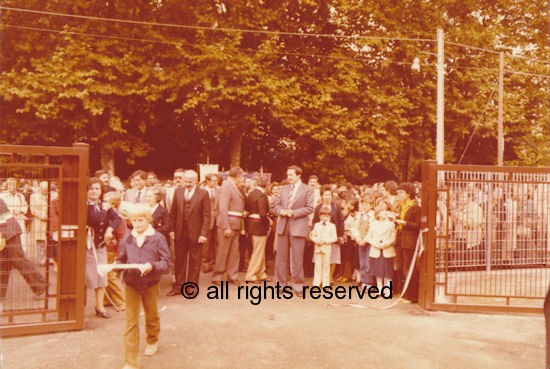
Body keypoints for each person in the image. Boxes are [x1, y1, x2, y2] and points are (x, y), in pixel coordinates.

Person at [116, 203, 171, 369]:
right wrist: (115, 266)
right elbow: (121, 259)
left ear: (148, 220)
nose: (137, 223)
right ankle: (130, 361)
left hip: (150, 284)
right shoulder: (127, 238)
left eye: (141, 220)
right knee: (131, 322)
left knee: (151, 315)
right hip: (131, 284)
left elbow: (166, 263)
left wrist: (152, 266)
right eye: (134, 220)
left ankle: (152, 339)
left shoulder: (157, 238)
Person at [272, 165, 314, 297]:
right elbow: (275, 205)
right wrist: (281, 211)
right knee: (281, 258)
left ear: (298, 175)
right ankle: (280, 285)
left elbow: (309, 208)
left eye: (291, 175)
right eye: (288, 174)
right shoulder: (283, 189)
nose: (288, 177)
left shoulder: (308, 189)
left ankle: (298, 285)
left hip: (298, 226)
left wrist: (293, 213)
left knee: (297, 259)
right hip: (283, 226)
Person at [167, 170, 210, 296]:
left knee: (195, 261)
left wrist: (203, 234)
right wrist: (171, 230)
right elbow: (172, 213)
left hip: (196, 234)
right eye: (185, 181)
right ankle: (178, 287)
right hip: (180, 232)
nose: (187, 184)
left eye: (189, 182)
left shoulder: (203, 193)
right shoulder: (178, 191)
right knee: (179, 260)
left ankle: (191, 287)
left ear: (195, 181)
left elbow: (206, 216)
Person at [87, 178, 122, 318]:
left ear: (101, 191)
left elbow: (117, 218)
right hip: (88, 246)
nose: (94, 191)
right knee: (87, 276)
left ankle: (100, 306)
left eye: (97, 188)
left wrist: (110, 229)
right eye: (91, 188)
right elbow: (95, 220)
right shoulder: (86, 205)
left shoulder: (103, 204)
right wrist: (105, 210)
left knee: (101, 275)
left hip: (100, 245)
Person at [0, 198, 46, 301]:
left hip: (9, 231)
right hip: (6, 231)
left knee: (18, 260)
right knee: (3, 264)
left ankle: (40, 285)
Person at [212, 167, 245, 286]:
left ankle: (233, 275)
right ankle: (217, 276)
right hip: (228, 224)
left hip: (235, 224)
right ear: (237, 176)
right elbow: (223, 207)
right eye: (241, 176)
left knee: (234, 252)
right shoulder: (227, 186)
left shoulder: (233, 186)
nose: (242, 179)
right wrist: (226, 227)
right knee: (223, 251)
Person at [394, 182, 421, 303]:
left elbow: (418, 225)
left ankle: (412, 296)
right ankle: (404, 293)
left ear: (408, 193)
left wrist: (404, 223)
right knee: (400, 267)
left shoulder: (415, 207)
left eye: (401, 192)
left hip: (410, 240)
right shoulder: (402, 206)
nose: (398, 195)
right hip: (400, 238)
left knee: (409, 268)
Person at [102, 191, 128, 312]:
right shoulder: (108, 217)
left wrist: (119, 255)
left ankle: (123, 301)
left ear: (113, 204)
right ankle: (107, 299)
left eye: (105, 202)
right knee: (108, 275)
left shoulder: (119, 220)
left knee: (110, 276)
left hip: (113, 251)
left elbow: (122, 238)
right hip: (107, 250)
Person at [244, 177, 270, 283]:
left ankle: (261, 273)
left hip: (251, 224)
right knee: (258, 251)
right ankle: (251, 275)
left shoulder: (251, 194)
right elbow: (263, 213)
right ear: (266, 186)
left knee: (259, 250)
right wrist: (268, 221)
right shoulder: (262, 195)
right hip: (260, 226)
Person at [366, 201, 397, 290]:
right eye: (382, 211)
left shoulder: (391, 224)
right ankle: (380, 289)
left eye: (385, 211)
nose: (385, 213)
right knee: (378, 272)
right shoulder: (373, 224)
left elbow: (393, 238)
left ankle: (388, 290)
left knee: (388, 272)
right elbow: (368, 237)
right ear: (378, 214)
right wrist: (376, 244)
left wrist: (385, 244)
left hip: (387, 250)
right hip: (376, 250)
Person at [309, 206, 338, 288]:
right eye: (323, 216)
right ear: (320, 216)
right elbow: (313, 235)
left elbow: (334, 237)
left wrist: (326, 241)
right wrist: (316, 240)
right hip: (318, 248)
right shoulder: (316, 225)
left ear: (330, 217)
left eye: (327, 216)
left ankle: (325, 283)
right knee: (317, 265)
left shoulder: (332, 226)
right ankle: (316, 283)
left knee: (326, 266)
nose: (325, 218)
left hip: (327, 248)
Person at [0, 178, 29, 254]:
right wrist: (12, 211)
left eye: (14, 184)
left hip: (19, 220)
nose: (12, 186)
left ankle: (21, 256)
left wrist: (20, 210)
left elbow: (25, 207)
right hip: (7, 221)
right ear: (7, 185)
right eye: (10, 184)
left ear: (16, 186)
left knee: (22, 239)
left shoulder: (20, 196)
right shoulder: (2, 196)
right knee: (8, 241)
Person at [201, 173, 220, 273]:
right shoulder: (201, 191)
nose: (216, 182)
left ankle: (216, 263)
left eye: (216, 180)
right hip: (206, 221)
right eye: (214, 180)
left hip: (217, 221)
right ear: (208, 181)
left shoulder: (218, 190)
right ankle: (206, 264)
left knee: (217, 242)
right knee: (206, 244)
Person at [29, 181, 49, 266]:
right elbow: (32, 209)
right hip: (39, 221)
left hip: (50, 222)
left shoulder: (53, 195)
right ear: (40, 188)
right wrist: (43, 215)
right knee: (40, 242)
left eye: (46, 189)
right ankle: (42, 260)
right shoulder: (34, 196)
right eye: (43, 189)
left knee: (49, 242)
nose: (45, 191)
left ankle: (50, 259)